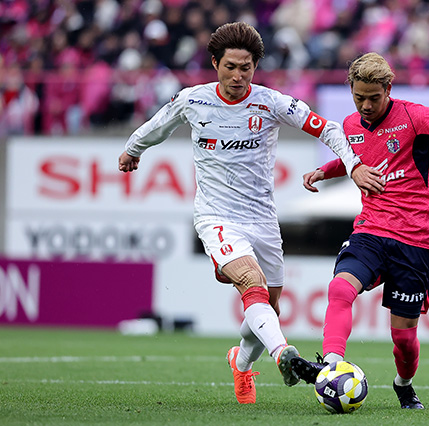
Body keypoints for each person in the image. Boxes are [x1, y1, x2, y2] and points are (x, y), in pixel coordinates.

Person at [118, 22, 383, 405]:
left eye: (246, 68)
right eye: (230, 67)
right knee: (250, 282)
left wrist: (353, 165)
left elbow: (328, 129)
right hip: (216, 216)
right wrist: (133, 149)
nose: (238, 76)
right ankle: (284, 354)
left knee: (268, 307)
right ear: (215, 64)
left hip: (263, 220)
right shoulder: (193, 100)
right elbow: (158, 125)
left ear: (255, 67)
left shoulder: (271, 103)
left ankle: (241, 363)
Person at [291, 52, 429, 409]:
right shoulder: (350, 124)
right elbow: (353, 160)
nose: (366, 105)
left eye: (374, 97)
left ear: (389, 88)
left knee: (403, 341)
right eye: (359, 97)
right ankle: (330, 366)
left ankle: (403, 384)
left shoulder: (413, 116)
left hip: (415, 239)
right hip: (371, 230)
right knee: (340, 288)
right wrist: (324, 172)